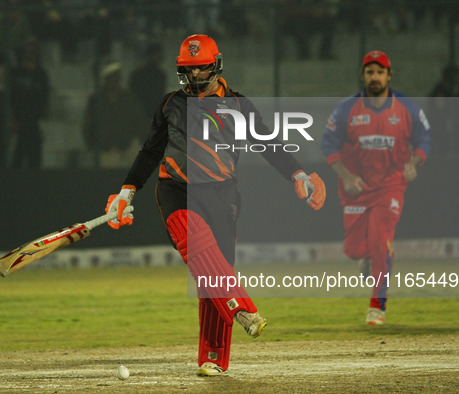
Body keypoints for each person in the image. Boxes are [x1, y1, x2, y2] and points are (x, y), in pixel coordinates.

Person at [103, 34, 326, 376]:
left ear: (215, 65)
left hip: (222, 195)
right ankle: (243, 309)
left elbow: (268, 143)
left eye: (200, 68)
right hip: (176, 190)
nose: (194, 76)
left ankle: (213, 358)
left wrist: (297, 173)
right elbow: (150, 151)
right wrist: (127, 191)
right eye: (188, 70)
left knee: (212, 276)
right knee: (196, 244)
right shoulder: (170, 105)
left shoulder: (238, 105)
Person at [321, 50, 431, 325]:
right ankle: (366, 256)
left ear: (389, 75)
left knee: (381, 240)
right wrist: (346, 176)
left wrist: (414, 163)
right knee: (355, 250)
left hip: (391, 185)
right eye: (370, 72)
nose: (375, 77)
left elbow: (424, 139)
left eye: (380, 72)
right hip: (356, 187)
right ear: (363, 76)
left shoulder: (407, 108)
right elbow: (328, 144)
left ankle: (377, 305)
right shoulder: (346, 109)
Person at [82, 62, 146, 168]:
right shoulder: (95, 99)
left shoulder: (128, 98)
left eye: (116, 77)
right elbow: (88, 122)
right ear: (105, 80)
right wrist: (91, 143)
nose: (114, 81)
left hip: (127, 142)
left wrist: (137, 136)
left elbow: (139, 119)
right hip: (106, 146)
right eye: (111, 78)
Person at [9, 39, 49, 169]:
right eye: (27, 53)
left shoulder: (41, 74)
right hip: (18, 122)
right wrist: (12, 119)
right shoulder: (16, 73)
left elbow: (45, 97)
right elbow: (10, 97)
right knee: (17, 158)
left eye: (33, 53)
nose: (30, 56)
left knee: (35, 158)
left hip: (33, 122)